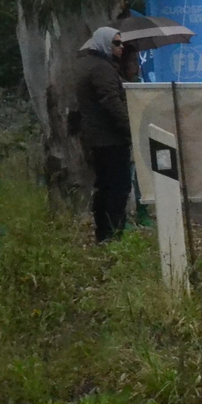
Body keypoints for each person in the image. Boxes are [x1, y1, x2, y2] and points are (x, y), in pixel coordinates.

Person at [75, 26, 132, 243]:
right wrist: (130, 129)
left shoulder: (89, 65)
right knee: (117, 188)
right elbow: (111, 102)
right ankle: (113, 234)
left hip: (97, 138)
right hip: (110, 139)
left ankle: (104, 234)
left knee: (105, 187)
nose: (121, 47)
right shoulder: (102, 69)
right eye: (116, 43)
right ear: (104, 44)